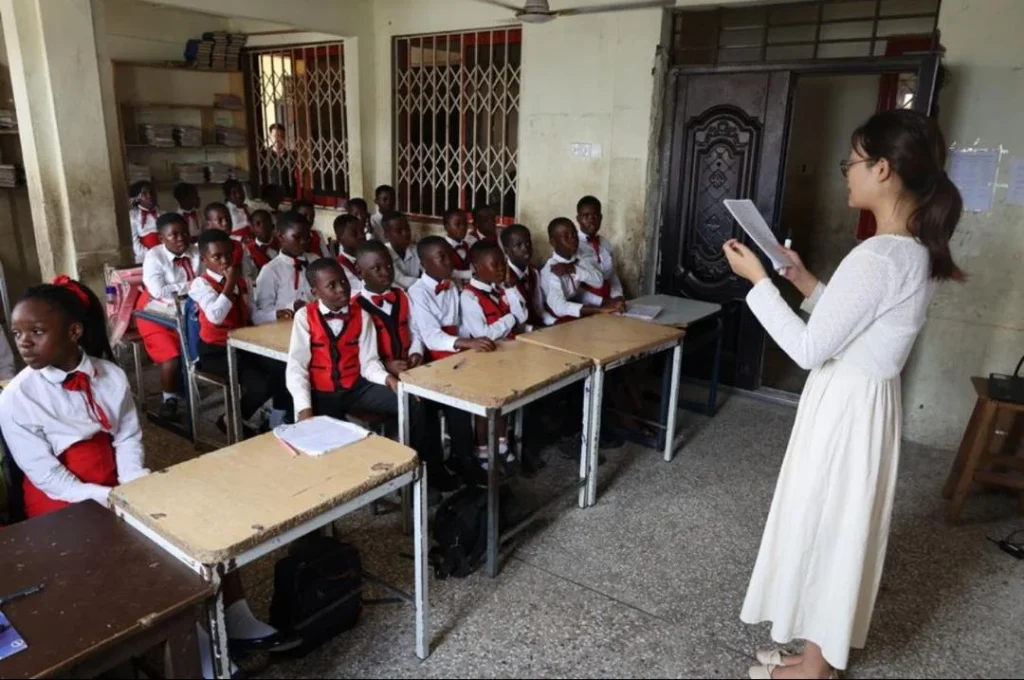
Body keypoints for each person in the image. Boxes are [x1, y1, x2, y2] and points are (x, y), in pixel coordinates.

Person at [724, 110, 964, 680]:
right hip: (864, 402)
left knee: (827, 526)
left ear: (883, 169)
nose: (846, 174)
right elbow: (858, 322)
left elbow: (810, 348)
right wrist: (803, 281)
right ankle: (816, 653)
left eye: (851, 163)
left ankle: (815, 670)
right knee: (835, 526)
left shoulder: (879, 254)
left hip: (846, 408)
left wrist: (759, 283)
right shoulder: (910, 248)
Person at [285, 258, 459, 490]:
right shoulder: (304, 317)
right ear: (315, 291)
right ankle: (328, 495)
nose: (342, 289)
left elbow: (369, 363)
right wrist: (304, 410)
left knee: (412, 403)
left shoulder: (362, 315)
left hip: (356, 387)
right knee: (318, 444)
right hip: (321, 393)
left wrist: (390, 380)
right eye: (332, 285)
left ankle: (417, 474)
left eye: (344, 281)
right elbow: (297, 368)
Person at [0, 276, 147, 517]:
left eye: (37, 331)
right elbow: (48, 476)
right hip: (58, 494)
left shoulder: (111, 375)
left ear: (74, 331)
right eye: (17, 333)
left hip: (113, 478)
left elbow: (127, 435)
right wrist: (107, 497)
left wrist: (131, 481)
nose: (24, 343)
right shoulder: (17, 398)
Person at [189, 229, 291, 435]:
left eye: (228, 254)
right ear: (204, 259)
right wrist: (230, 283)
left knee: (285, 367)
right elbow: (215, 316)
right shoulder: (201, 284)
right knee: (260, 385)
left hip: (243, 345)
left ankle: (276, 421)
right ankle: (230, 419)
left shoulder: (242, 282)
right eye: (216, 256)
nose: (224, 260)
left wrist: (276, 314)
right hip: (216, 352)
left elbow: (251, 314)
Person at [460, 240, 527, 469]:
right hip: (481, 361)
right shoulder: (468, 297)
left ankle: (501, 443)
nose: (501, 269)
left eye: (502, 264)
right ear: (476, 266)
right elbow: (483, 335)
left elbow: (523, 315)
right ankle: (482, 449)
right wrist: (510, 320)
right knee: (485, 408)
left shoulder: (500, 289)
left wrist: (510, 288)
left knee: (504, 402)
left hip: (505, 355)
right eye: (495, 264)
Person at [136, 214, 200, 420]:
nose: (181, 238)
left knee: (200, 348)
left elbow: (207, 279)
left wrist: (193, 287)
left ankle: (189, 384)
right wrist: (192, 285)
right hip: (155, 312)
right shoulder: (154, 256)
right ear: (162, 239)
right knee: (171, 356)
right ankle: (169, 398)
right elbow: (158, 291)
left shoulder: (197, 252)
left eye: (184, 233)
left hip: (188, 309)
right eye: (173, 235)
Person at [408, 236, 496, 363]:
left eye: (450, 255)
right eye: (441, 258)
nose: (449, 261)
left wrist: (476, 339)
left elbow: (460, 323)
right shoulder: (417, 292)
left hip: (457, 348)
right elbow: (431, 336)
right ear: (423, 264)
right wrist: (468, 342)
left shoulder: (451, 285)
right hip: (434, 352)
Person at [540, 218, 623, 325]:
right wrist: (600, 309)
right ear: (552, 242)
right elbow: (560, 307)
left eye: (574, 234)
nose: (573, 239)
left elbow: (598, 282)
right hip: (553, 320)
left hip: (571, 314)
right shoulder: (552, 270)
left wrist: (605, 302)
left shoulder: (577, 259)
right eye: (566, 237)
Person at [253, 211, 315, 325]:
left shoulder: (315, 261)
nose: (303, 241)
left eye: (307, 237)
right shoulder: (270, 271)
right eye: (297, 237)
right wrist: (291, 307)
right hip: (285, 329)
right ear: (281, 237)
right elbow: (262, 313)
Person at [575, 195, 625, 307]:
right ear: (578, 218)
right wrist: (603, 303)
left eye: (595, 215)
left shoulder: (605, 243)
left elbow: (612, 275)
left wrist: (618, 295)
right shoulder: (573, 246)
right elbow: (574, 287)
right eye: (586, 216)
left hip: (609, 301)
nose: (591, 220)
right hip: (586, 305)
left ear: (601, 218)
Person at [502, 224, 544, 329]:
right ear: (506, 251)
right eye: (518, 245)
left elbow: (538, 307)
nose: (526, 249)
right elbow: (513, 318)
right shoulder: (502, 277)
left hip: (534, 326)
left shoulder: (533, 272)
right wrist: (533, 329)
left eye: (528, 243)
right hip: (516, 330)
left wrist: (553, 322)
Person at [383, 211, 421, 289]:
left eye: (407, 229)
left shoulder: (417, 250)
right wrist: (428, 283)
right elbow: (400, 280)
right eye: (399, 231)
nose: (406, 233)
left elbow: (428, 271)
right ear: (387, 235)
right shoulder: (383, 254)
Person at [129, 180, 163, 264]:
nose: (150, 196)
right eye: (144, 193)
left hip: (164, 256)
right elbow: (135, 243)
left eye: (151, 192)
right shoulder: (133, 216)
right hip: (146, 258)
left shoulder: (163, 214)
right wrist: (152, 255)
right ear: (137, 198)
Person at [204, 202, 245, 268]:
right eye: (219, 220)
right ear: (208, 225)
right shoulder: (202, 249)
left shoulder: (239, 245)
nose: (225, 223)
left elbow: (248, 272)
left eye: (228, 218)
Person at [242, 209, 279, 281]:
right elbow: (248, 276)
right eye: (258, 224)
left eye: (266, 222)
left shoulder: (282, 243)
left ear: (272, 225)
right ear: (252, 228)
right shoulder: (248, 250)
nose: (263, 226)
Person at [333, 214, 365, 294]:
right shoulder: (339, 267)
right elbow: (359, 289)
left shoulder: (371, 258)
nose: (361, 236)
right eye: (355, 233)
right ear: (340, 239)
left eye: (362, 231)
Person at [442, 208, 473, 283]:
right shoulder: (441, 247)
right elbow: (446, 271)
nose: (463, 227)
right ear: (446, 227)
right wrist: (471, 274)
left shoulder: (468, 245)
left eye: (465, 224)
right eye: (458, 224)